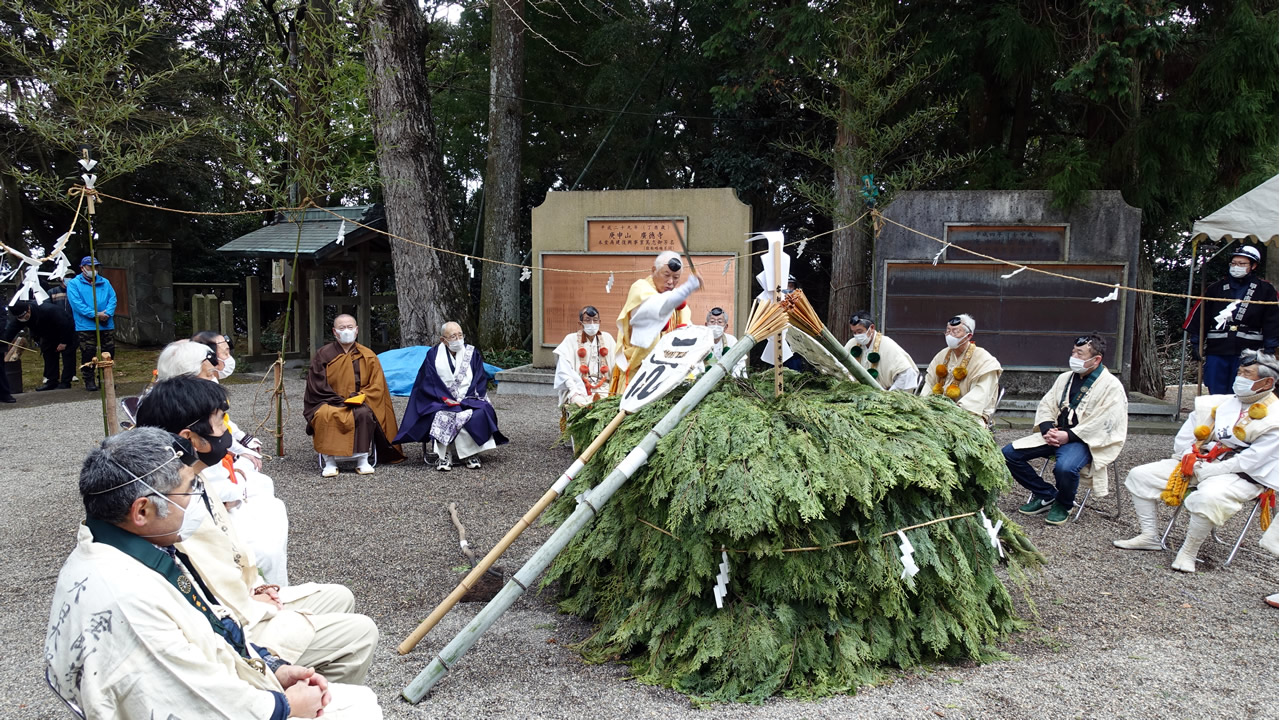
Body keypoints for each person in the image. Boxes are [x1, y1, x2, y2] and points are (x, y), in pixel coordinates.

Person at [45, 426, 382, 718]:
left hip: (238, 661)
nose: (195, 499)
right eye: (189, 489)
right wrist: (283, 706)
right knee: (361, 704)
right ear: (142, 510)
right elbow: (195, 696)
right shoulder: (126, 596)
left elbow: (211, 625)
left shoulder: (122, 547)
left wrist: (273, 668)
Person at [135, 377, 379, 684]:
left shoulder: (192, 475)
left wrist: (258, 585)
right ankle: (294, 698)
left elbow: (224, 556)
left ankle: (302, 693)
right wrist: (249, 605)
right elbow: (195, 591)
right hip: (230, 625)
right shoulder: (167, 504)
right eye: (220, 421)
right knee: (361, 633)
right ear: (191, 437)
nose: (227, 430)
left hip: (243, 598)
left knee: (340, 597)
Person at [1113, 350, 1278, 573]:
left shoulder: (1275, 417)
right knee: (1140, 475)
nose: (1239, 378)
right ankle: (1149, 535)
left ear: (1267, 381)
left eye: (1247, 374)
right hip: (1199, 461)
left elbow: (1252, 460)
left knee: (1208, 497)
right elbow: (1186, 436)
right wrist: (1189, 458)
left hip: (1241, 474)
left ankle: (1188, 552)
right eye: (1239, 372)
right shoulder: (1217, 404)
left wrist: (1212, 471)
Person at [157, 342, 290, 584]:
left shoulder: (199, 407)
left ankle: (269, 586)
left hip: (220, 484)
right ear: (184, 378)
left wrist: (240, 456)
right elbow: (211, 491)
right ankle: (266, 589)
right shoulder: (176, 421)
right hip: (205, 510)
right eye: (209, 374)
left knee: (268, 496)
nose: (215, 378)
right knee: (266, 548)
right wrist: (234, 478)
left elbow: (227, 432)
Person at [1003, 334, 1129, 525]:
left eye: (1080, 353)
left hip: (1083, 440)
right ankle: (1046, 494)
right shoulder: (1065, 378)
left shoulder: (1112, 386)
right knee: (1008, 454)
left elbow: (1105, 422)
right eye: (1073, 352)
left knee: (1065, 467)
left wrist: (1068, 435)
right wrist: (1047, 428)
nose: (1074, 357)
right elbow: (1047, 404)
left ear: (1096, 359)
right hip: (1055, 433)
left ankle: (1064, 503)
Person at [395, 322, 506, 471]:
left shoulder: (472, 353)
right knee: (443, 414)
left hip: (469, 398)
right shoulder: (433, 355)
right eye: (453, 336)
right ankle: (444, 455)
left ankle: (470, 453)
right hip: (440, 400)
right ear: (443, 340)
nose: (458, 339)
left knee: (477, 411)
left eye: (460, 335)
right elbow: (428, 382)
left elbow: (479, 379)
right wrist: (445, 398)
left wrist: (467, 398)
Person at [303, 314, 404, 477]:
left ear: (356, 331)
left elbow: (377, 386)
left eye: (350, 327)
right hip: (328, 401)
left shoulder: (368, 355)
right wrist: (337, 400)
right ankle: (330, 462)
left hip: (358, 400)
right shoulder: (323, 355)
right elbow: (316, 384)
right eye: (342, 328)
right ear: (334, 332)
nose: (346, 331)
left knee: (364, 413)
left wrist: (360, 396)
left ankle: (362, 459)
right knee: (324, 414)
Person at [1187, 245, 1278, 394]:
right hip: (1218, 348)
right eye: (1234, 263)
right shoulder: (1215, 288)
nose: (1237, 267)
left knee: (1244, 390)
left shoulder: (1265, 290)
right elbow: (1200, 317)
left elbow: (1272, 321)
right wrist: (1196, 342)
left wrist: (1269, 349)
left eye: (1242, 264)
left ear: (1253, 266)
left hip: (1250, 350)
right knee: (1216, 392)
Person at [610, 250, 702, 393]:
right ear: (654, 270)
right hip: (639, 372)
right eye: (666, 275)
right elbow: (658, 307)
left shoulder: (677, 301)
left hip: (667, 374)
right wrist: (688, 287)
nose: (671, 282)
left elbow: (687, 333)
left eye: (676, 277)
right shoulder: (640, 288)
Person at [919, 314, 1002, 425]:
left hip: (970, 416)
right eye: (948, 331)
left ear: (968, 336)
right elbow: (929, 384)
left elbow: (978, 398)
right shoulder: (942, 354)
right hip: (937, 412)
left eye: (955, 331)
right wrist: (923, 406)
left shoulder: (985, 361)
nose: (950, 335)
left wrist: (951, 413)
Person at [65, 255, 117, 391]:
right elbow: (77, 304)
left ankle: (106, 379)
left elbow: (113, 298)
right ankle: (89, 379)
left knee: (109, 352)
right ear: (83, 268)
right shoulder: (74, 284)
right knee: (88, 352)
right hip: (86, 325)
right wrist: (95, 314)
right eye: (90, 267)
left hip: (106, 323)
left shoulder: (105, 282)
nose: (94, 270)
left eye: (96, 267)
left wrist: (108, 313)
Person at [553, 306, 616, 409]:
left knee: (609, 404)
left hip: (604, 387)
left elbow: (618, 365)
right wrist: (573, 390)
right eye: (587, 320)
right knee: (579, 403)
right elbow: (564, 370)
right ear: (580, 323)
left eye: (595, 320)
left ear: (600, 322)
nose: (592, 324)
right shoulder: (570, 340)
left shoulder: (607, 338)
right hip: (579, 387)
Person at [6, 299, 77, 390]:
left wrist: (64, 342)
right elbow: (11, 331)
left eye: (24, 316)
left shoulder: (49, 310)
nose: (23, 318)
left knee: (68, 357)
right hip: (47, 335)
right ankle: (52, 381)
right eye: (20, 318)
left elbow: (66, 324)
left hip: (65, 331)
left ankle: (66, 382)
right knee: (49, 356)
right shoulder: (20, 319)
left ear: (28, 309)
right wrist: (4, 342)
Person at [843, 310, 918, 391]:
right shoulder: (852, 343)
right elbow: (840, 367)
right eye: (854, 332)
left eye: (860, 331)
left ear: (871, 328)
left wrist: (891, 394)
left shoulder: (887, 344)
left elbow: (907, 373)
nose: (857, 336)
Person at [701, 307, 747, 378]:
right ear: (706, 325)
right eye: (712, 322)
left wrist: (734, 381)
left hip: (727, 380)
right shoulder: (699, 342)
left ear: (725, 327)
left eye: (719, 322)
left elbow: (739, 363)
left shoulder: (731, 340)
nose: (715, 325)